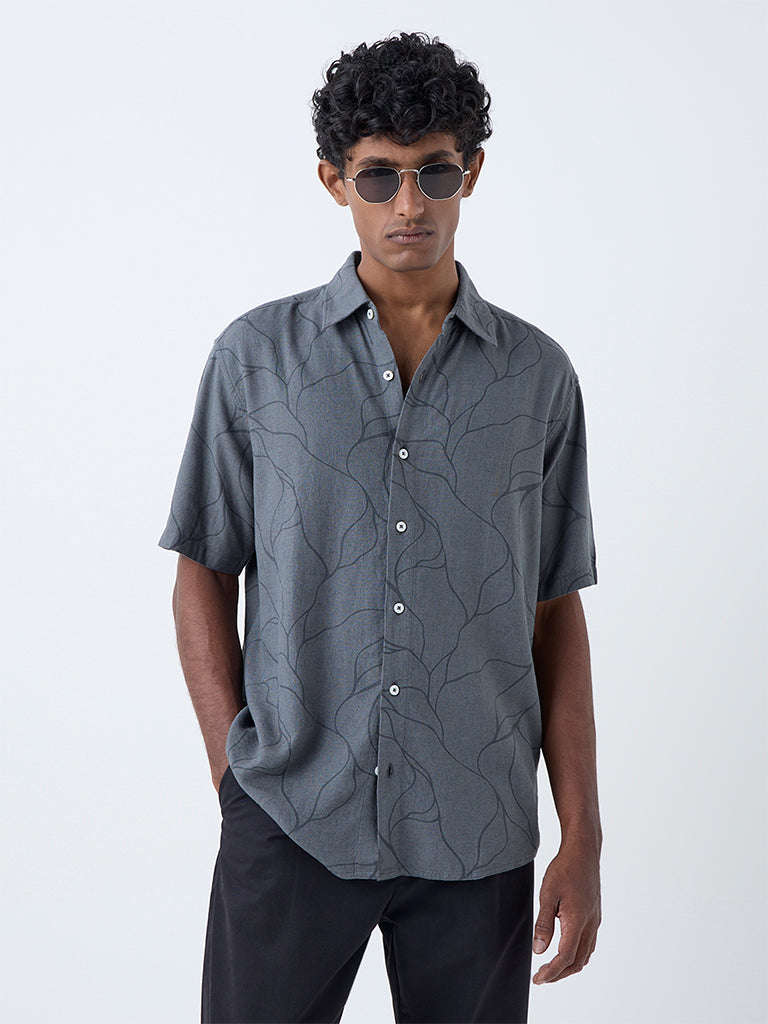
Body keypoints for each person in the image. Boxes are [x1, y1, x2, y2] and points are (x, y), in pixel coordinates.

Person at [158, 30, 602, 1024]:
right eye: (379, 176)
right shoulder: (255, 360)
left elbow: (554, 609)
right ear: (334, 181)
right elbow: (202, 569)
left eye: (434, 172)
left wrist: (583, 833)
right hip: (291, 815)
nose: (409, 204)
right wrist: (234, 776)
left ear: (471, 172)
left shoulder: (537, 378)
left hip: (478, 830)